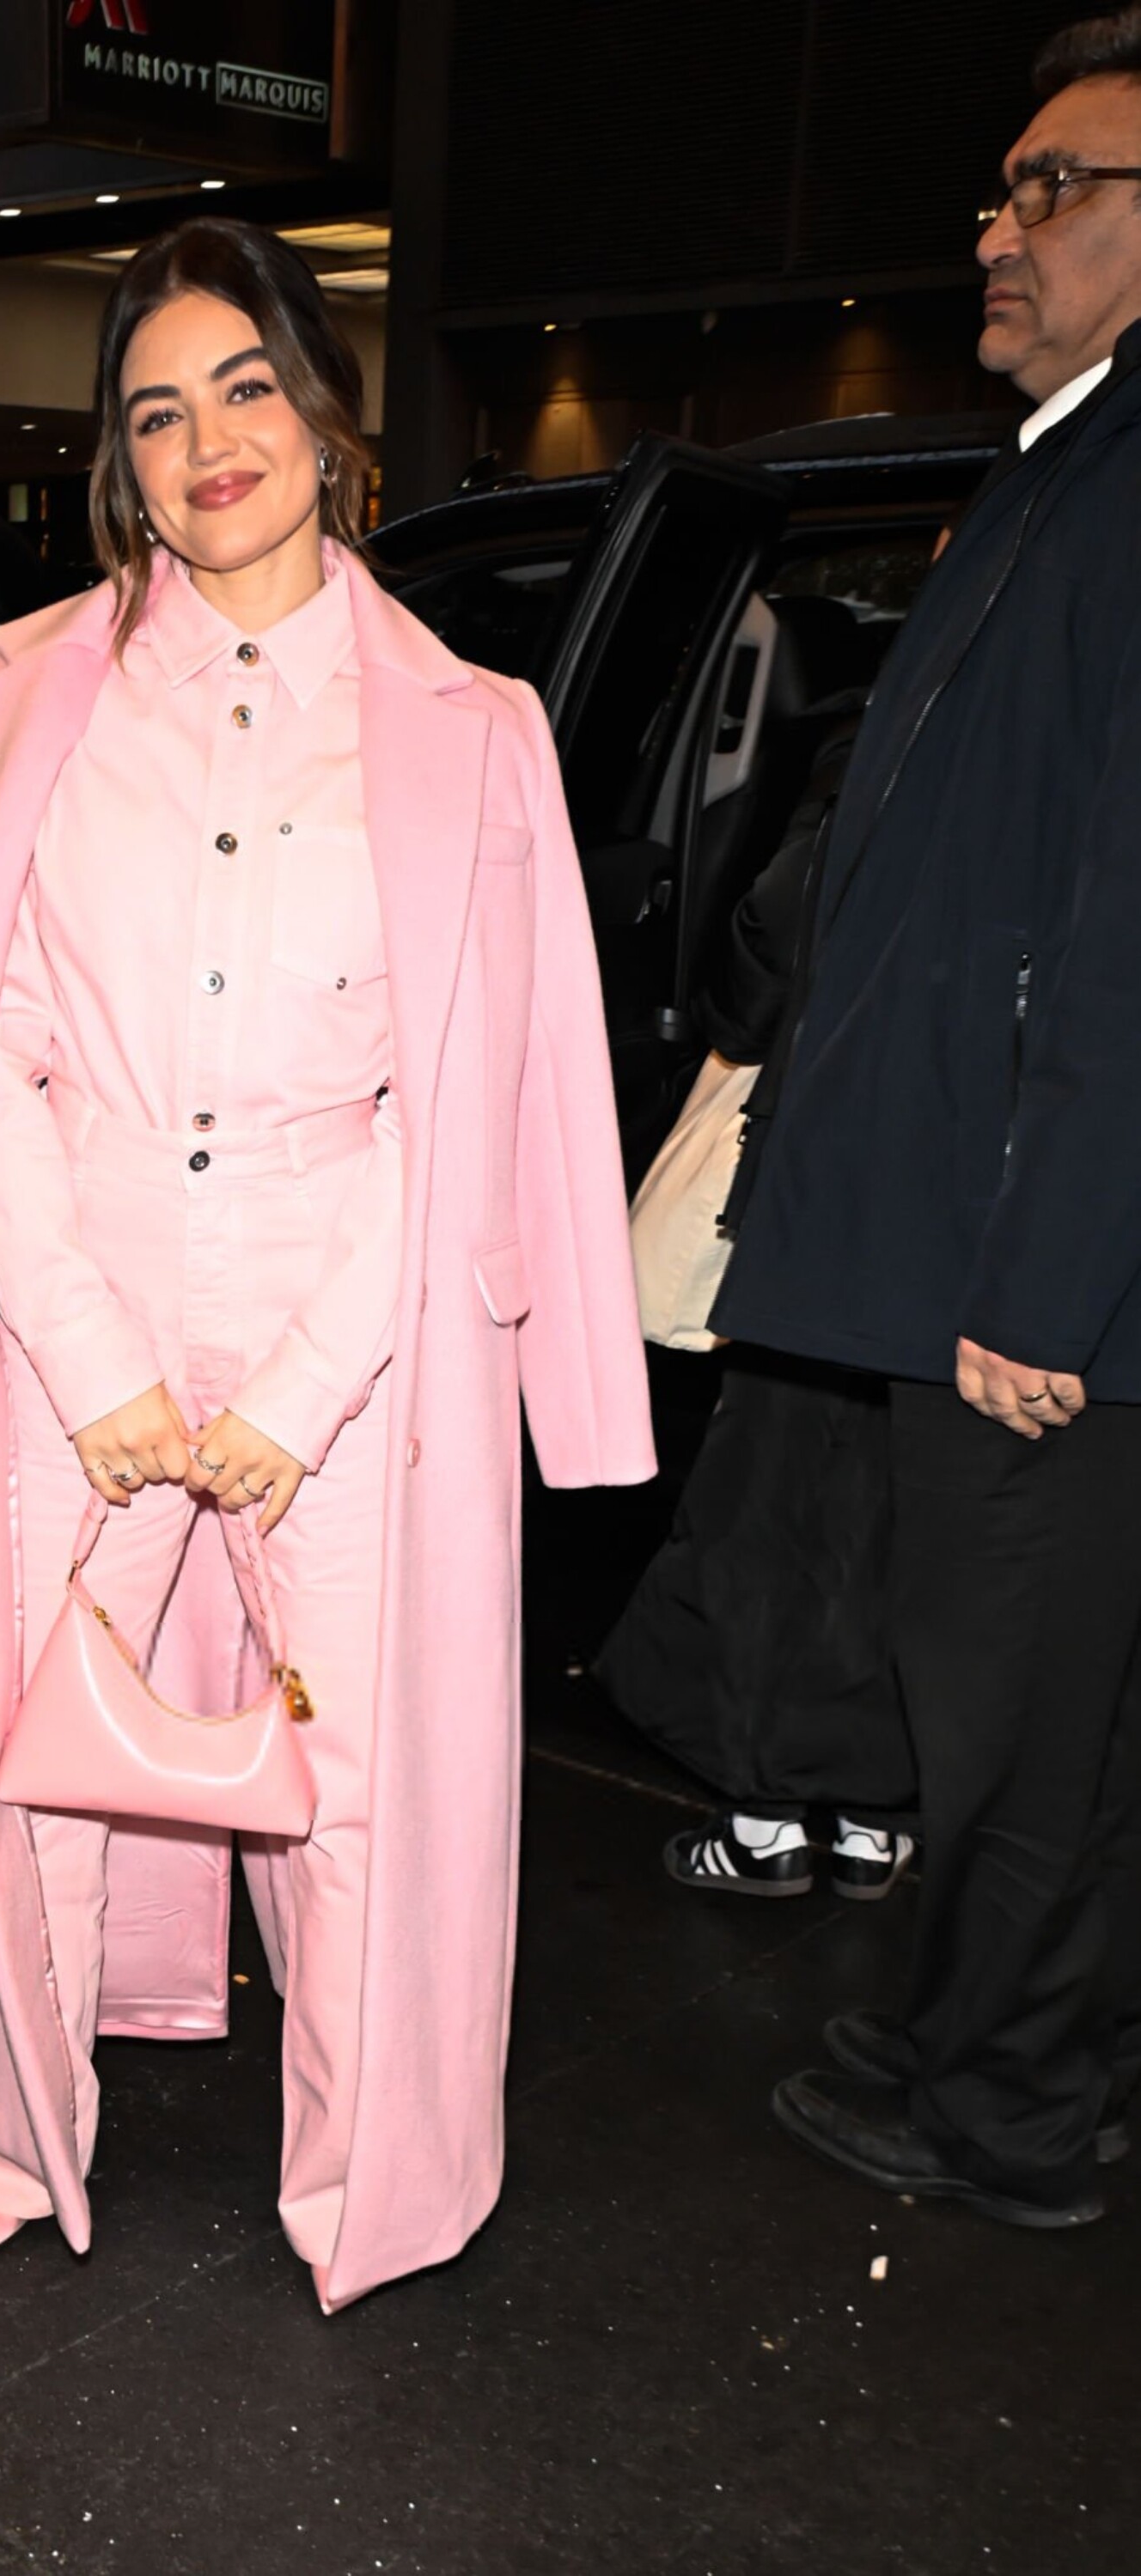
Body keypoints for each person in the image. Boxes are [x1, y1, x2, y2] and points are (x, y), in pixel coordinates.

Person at [0, 216, 653, 2311]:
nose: (208, 443)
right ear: (120, 459)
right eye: (158, 411)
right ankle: (13, 2126)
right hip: (60, 1292)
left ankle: (377, 2184)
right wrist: (87, 1348)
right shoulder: (7, 702)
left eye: (247, 387)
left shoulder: (473, 729)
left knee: (363, 1791)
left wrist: (302, 1380)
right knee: (28, 1758)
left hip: (354, 1307)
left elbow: (485, 1091)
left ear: (329, 416)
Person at [716, 8, 1141, 2226]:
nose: (997, 228)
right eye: (998, 187)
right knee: (1021, 1702)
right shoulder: (1060, 466)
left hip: (1035, 1271)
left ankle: (1007, 2107)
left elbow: (1125, 928)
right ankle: (993, 2030)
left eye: (1052, 189)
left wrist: (1039, 1275)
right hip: (992, 1237)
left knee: (1016, 1722)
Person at [597, 723, 919, 1901]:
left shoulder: (892, 738)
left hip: (824, 1186)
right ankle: (876, 1817)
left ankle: (763, 1818)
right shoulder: (1077, 747)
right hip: (974, 1212)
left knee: (767, 1503)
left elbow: (755, 978)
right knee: (902, 1513)